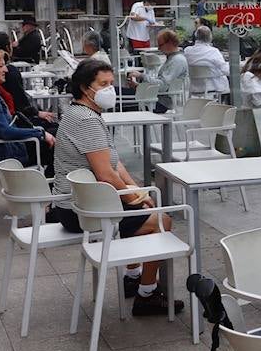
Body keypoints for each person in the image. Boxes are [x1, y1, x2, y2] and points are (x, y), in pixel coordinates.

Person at [49, 59, 183, 316]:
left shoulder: (80, 112)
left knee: (145, 214)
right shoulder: (86, 119)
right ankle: (147, 294)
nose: (109, 89)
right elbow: (106, 174)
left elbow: (115, 163)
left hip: (81, 202)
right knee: (162, 221)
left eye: (111, 83)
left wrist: (137, 192)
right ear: (85, 87)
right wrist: (135, 198)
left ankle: (133, 277)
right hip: (82, 211)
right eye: (103, 84)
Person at [0, 33, 57, 132]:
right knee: (57, 130)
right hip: (14, 127)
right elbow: (20, 105)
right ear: (8, 47)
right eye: (1, 66)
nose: (5, 70)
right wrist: (41, 132)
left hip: (6, 125)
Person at [182, 24, 230, 98]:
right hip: (213, 86)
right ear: (210, 37)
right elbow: (226, 70)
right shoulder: (213, 51)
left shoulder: (187, 51)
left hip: (194, 86)